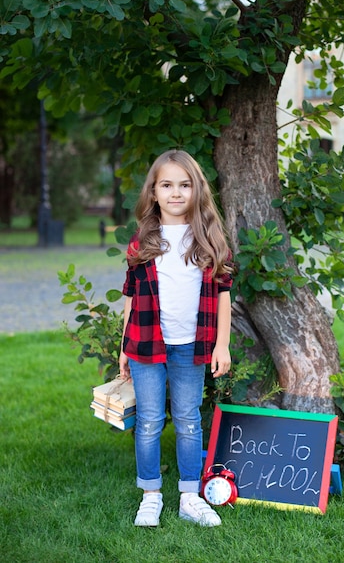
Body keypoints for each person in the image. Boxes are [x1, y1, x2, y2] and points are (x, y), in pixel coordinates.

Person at [119, 149, 233, 528]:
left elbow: (223, 294)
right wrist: (123, 348)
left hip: (193, 346)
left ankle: (189, 495)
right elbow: (131, 299)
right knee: (149, 421)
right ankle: (151, 494)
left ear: (197, 190)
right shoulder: (142, 243)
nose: (176, 193)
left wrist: (222, 344)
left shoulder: (209, 241)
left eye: (185, 185)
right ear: (153, 192)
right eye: (167, 185)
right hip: (147, 345)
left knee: (188, 420)